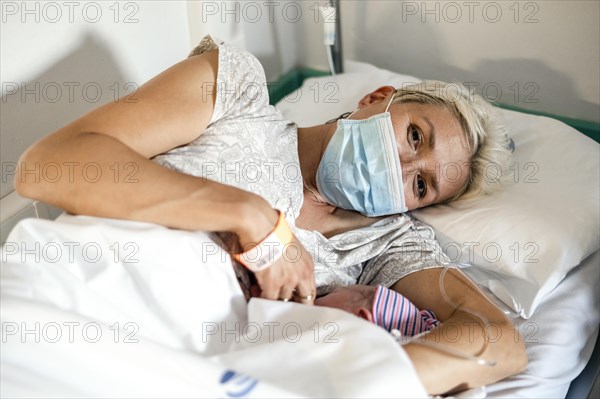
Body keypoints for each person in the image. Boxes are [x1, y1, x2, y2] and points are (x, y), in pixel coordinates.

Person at [14, 35, 525, 395]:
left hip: (183, 372)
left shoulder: (385, 247)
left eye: (421, 185)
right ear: (377, 99)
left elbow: (496, 338)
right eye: (415, 135)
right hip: (67, 298)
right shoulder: (237, 95)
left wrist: (356, 382)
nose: (402, 166)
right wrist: (253, 218)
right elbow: (47, 167)